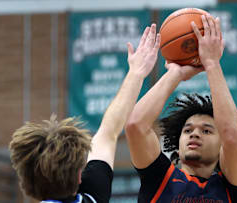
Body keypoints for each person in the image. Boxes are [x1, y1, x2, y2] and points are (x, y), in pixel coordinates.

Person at [9, 24, 161, 203]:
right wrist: (136, 73)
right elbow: (108, 132)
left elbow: (108, 133)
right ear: (80, 177)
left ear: (26, 182)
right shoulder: (92, 197)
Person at [125, 15, 237, 203]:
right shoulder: (160, 178)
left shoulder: (230, 187)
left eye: (206, 130)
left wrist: (212, 64)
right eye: (187, 130)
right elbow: (135, 125)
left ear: (222, 148)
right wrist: (175, 74)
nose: (194, 134)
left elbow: (231, 135)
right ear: (178, 145)